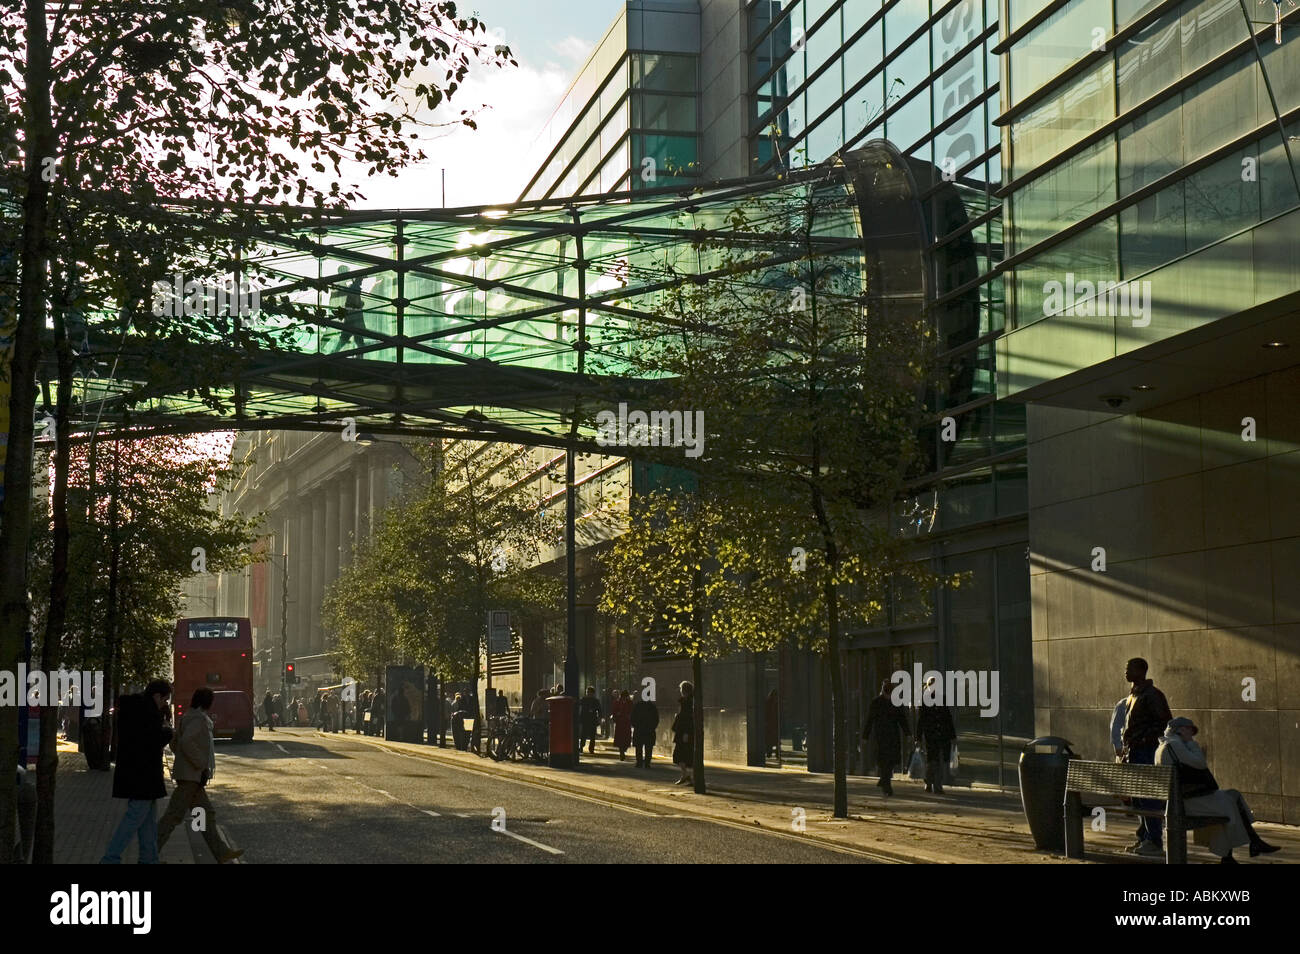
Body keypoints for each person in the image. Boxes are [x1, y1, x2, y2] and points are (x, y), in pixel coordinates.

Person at [1156, 717, 1279, 863]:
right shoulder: (1175, 745)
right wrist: (1192, 744)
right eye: (1190, 730)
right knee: (1229, 803)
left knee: (1233, 795)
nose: (1192, 735)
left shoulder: (1164, 745)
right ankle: (1243, 849)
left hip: (1183, 799)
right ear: (1181, 730)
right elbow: (1200, 763)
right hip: (1184, 803)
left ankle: (1251, 844)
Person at [157, 688, 244, 863]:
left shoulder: (187, 717)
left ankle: (220, 852)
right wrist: (200, 763)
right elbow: (186, 741)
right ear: (207, 702)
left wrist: (183, 758)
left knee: (205, 814)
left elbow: (176, 743)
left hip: (191, 776)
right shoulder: (198, 720)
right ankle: (149, 853)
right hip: (191, 777)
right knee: (173, 817)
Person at [100, 680, 173, 864]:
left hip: (136, 773)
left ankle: (149, 858)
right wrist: (168, 732)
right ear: (157, 695)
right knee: (134, 818)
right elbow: (152, 741)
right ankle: (110, 859)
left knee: (147, 820)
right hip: (143, 774)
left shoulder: (134, 708)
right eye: (165, 699)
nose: (165, 703)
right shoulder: (148, 713)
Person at [1121, 657, 1172, 857]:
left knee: (1148, 797)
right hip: (1134, 752)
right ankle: (1144, 838)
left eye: (1129, 668)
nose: (1125, 672)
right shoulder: (1134, 694)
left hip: (1146, 752)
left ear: (1141, 671)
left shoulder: (1152, 695)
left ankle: (1154, 841)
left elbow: (1165, 723)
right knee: (1139, 798)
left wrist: (1143, 740)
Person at [862, 679, 910, 796]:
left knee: (890, 760)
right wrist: (865, 736)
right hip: (881, 736)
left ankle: (884, 779)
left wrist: (908, 733)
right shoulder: (877, 702)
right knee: (884, 760)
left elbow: (902, 719)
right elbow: (870, 719)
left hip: (891, 736)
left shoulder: (894, 702)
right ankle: (886, 785)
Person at [914, 676, 957, 794]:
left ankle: (937, 785)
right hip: (930, 735)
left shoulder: (942, 698)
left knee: (940, 760)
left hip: (942, 735)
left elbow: (948, 718)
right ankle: (929, 781)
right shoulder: (924, 700)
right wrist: (918, 737)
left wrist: (952, 736)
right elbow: (921, 721)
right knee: (932, 761)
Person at [671, 682, 695, 785]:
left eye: (681, 689)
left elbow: (688, 719)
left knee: (684, 754)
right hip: (682, 731)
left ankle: (688, 775)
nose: (680, 691)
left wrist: (686, 732)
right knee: (680, 755)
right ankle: (686, 774)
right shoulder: (685, 701)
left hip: (685, 732)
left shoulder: (689, 702)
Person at [631, 692, 659, 767]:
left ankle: (639, 762)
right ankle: (647, 763)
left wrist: (635, 726)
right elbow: (656, 719)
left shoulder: (637, 706)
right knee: (648, 747)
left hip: (639, 729)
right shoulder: (652, 707)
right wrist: (652, 727)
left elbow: (632, 717)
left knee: (639, 747)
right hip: (649, 730)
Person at [578, 686, 602, 755]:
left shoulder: (595, 701)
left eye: (589, 692)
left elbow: (599, 710)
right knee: (583, 734)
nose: (588, 693)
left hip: (592, 720)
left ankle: (591, 748)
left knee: (592, 735)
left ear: (592, 693)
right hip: (586, 719)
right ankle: (582, 747)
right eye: (587, 692)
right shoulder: (584, 699)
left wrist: (600, 718)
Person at [610, 689, 633, 760]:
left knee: (625, 737)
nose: (624, 698)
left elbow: (632, 711)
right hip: (620, 722)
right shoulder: (617, 702)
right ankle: (621, 752)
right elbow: (614, 711)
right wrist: (616, 715)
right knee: (621, 738)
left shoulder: (629, 702)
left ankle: (624, 749)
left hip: (626, 722)